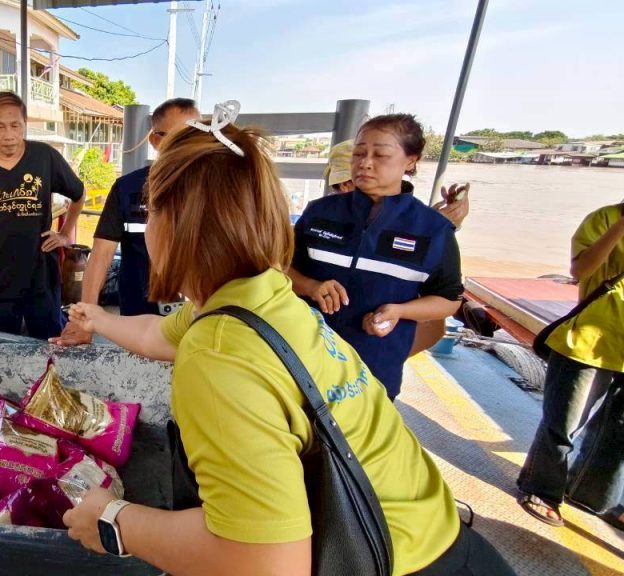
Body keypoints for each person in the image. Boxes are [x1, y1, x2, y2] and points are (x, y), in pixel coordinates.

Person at [62, 111, 513, 575]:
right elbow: (159, 334)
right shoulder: (262, 296)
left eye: (151, 210)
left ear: (172, 223)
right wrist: (98, 317)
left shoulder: (218, 354)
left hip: (395, 563)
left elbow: (267, 565)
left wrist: (113, 521)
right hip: (447, 540)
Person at [287, 115, 464, 400]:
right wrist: (310, 286)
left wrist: (399, 311)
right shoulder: (318, 212)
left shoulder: (433, 229)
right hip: (299, 359)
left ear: (411, 161)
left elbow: (449, 299)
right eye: (359, 153)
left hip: (374, 369)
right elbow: (281, 268)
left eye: (380, 155)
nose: (365, 163)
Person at [54, 98, 200, 346]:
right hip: (137, 313)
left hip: (199, 312)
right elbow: (101, 255)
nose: (189, 146)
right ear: (155, 140)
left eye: (197, 136)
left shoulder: (216, 189)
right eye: (179, 138)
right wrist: (84, 318)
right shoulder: (127, 187)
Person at [517, 201, 624, 528]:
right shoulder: (605, 218)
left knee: (618, 431)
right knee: (564, 422)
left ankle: (589, 494)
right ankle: (541, 489)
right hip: (590, 340)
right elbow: (581, 271)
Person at [322, 139, 471, 356]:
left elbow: (444, 302)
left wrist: (437, 231)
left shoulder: (426, 228)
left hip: (373, 349)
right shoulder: (322, 221)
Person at [0, 91, 85, 339]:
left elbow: (79, 195)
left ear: (25, 122)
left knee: (50, 346)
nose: (9, 135)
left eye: (16, 125)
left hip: (41, 277)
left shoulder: (44, 156)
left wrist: (64, 234)